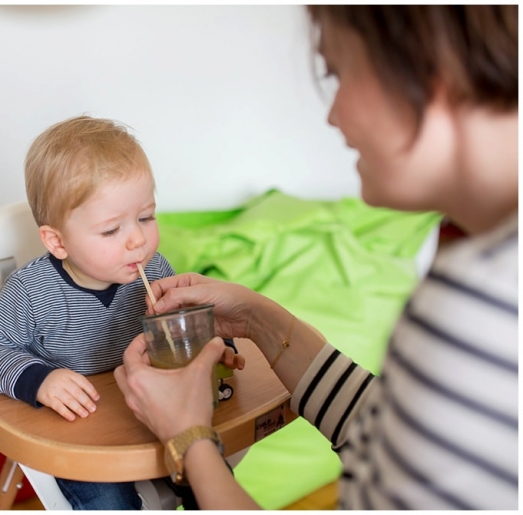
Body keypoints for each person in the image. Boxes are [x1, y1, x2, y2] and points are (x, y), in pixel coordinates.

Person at [114, 5, 517, 510]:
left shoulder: (479, 304)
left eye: (338, 72)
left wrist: (189, 439)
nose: (333, 114)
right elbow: (397, 439)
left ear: (427, 68)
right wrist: (260, 319)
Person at [0, 115, 242, 510]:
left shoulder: (156, 270)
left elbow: (188, 326)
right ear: (57, 242)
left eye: (146, 217)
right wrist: (41, 380)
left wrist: (212, 346)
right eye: (112, 231)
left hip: (153, 414)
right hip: (83, 432)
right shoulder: (31, 291)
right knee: (108, 501)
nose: (137, 239)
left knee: (210, 475)